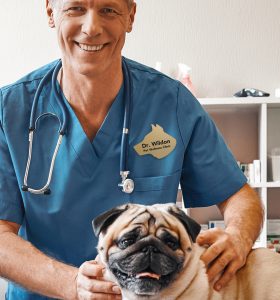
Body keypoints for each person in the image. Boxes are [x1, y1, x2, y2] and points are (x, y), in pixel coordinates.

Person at [0, 0, 264, 299]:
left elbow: (239, 196)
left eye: (109, 9)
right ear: (51, 12)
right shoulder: (10, 110)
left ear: (131, 16)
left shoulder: (172, 103)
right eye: (75, 8)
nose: (91, 28)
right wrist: (72, 284)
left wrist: (239, 236)